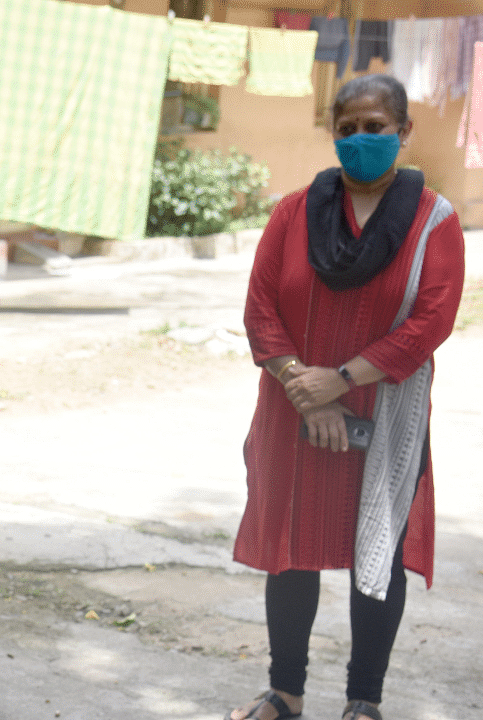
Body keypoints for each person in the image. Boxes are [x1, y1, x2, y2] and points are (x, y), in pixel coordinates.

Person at [229, 75, 465, 720]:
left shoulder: (434, 221)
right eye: (347, 129)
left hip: (384, 412)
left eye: (376, 128)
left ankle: (365, 701)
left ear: (403, 132)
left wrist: (344, 379)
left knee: (378, 552)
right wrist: (307, 388)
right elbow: (261, 310)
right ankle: (285, 692)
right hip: (294, 405)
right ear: (333, 134)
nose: (361, 140)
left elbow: (431, 321)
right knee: (292, 549)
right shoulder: (292, 212)